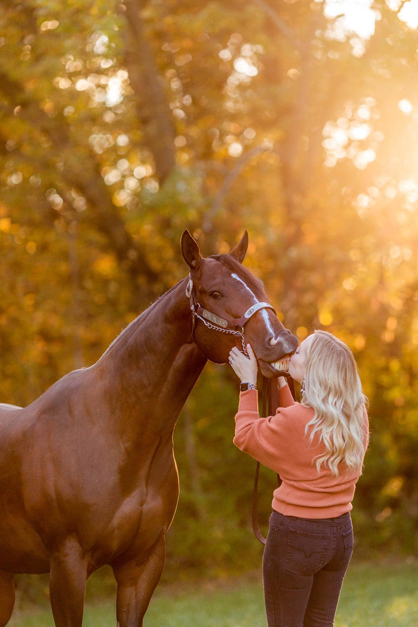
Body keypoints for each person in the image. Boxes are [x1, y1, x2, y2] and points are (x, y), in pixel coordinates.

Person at [228, 330, 369, 627]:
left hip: (296, 536)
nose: (293, 355)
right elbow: (304, 430)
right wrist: (282, 380)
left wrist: (248, 382)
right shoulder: (355, 414)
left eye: (301, 352)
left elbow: (245, 435)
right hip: (340, 536)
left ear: (314, 369)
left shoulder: (297, 423)